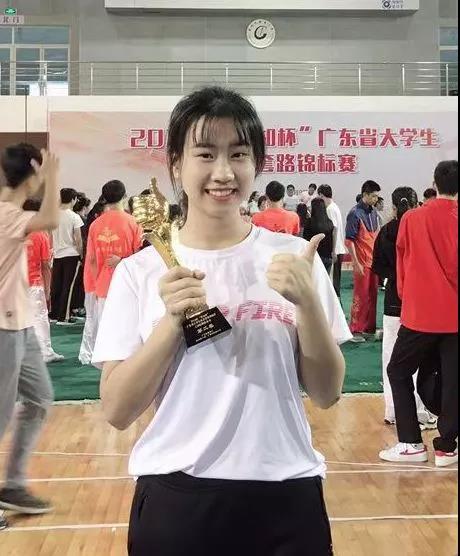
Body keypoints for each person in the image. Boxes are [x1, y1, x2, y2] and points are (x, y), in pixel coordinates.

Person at [93, 86, 351, 555]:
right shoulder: (140, 271)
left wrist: (308, 304)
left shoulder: (294, 258)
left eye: (239, 154)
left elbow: (327, 392)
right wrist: (171, 323)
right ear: (176, 164)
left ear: (257, 163)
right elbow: (117, 409)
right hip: (177, 499)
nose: (224, 172)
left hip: (286, 495)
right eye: (206, 154)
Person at [380, 161, 458, 467]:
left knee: (398, 371)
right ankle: (447, 447)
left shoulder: (412, 218)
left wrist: (406, 295)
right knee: (452, 379)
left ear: (434, 184)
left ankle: (411, 442)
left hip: (419, 314)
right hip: (454, 316)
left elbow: (402, 262)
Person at [0, 144, 59, 527]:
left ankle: (13, 485)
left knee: (39, 399)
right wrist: (53, 176)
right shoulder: (6, 213)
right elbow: (50, 218)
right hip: (3, 327)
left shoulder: (12, 214)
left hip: (20, 322)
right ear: (33, 174)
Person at [372, 187, 434, 429]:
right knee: (420, 359)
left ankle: (393, 410)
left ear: (394, 207)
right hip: (419, 302)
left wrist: (394, 277)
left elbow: (377, 266)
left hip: (393, 303)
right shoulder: (424, 229)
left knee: (391, 358)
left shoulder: (386, 231)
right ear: (417, 204)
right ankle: (419, 411)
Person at [85, 180, 143, 322]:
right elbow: (140, 257)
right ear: (124, 196)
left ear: (104, 198)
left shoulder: (95, 225)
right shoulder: (134, 223)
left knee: (104, 330)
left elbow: (91, 260)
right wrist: (122, 261)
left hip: (103, 288)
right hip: (127, 287)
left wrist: (96, 284)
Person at [23, 199, 64, 364]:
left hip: (14, 284)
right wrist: (47, 289)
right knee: (39, 317)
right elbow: (46, 265)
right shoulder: (40, 234)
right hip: (34, 283)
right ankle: (45, 351)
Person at [345, 180, 381, 343]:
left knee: (373, 295)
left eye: (377, 196)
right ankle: (356, 329)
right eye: (373, 196)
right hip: (362, 262)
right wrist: (356, 262)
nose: (376, 199)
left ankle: (369, 327)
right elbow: (349, 241)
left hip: (374, 262)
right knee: (361, 296)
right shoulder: (354, 214)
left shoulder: (374, 212)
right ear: (365, 195)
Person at [49, 188, 84, 325]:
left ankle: (54, 315)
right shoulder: (74, 217)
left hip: (57, 254)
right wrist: (81, 255)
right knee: (67, 286)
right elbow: (78, 240)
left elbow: (50, 236)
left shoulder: (53, 216)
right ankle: (64, 317)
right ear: (73, 200)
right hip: (71, 254)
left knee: (56, 285)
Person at [78, 200, 106, 365]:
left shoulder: (94, 229)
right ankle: (86, 353)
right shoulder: (95, 229)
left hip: (96, 280)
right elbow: (92, 260)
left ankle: (90, 352)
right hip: (93, 281)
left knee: (95, 319)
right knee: (92, 318)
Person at [318, 184, 347, 298]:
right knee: (334, 282)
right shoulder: (334, 207)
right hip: (337, 249)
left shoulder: (330, 209)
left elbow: (333, 230)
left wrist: (333, 250)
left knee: (333, 284)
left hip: (335, 250)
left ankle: (336, 306)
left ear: (321, 195)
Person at [303, 198, 335, 274]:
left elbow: (305, 240)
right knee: (325, 279)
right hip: (328, 257)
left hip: (314, 257)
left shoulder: (309, 222)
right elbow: (332, 239)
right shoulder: (330, 222)